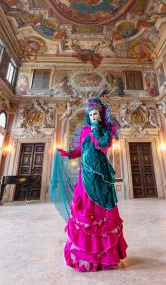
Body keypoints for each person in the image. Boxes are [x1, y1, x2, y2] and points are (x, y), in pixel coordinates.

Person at [52, 97, 127, 272]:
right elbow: (81, 149)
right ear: (88, 115)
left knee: (101, 212)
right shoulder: (85, 130)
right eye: (90, 114)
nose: (93, 116)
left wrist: (96, 130)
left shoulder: (105, 131)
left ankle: (105, 257)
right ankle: (85, 256)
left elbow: (103, 146)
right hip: (84, 174)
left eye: (95, 114)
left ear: (100, 116)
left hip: (100, 175)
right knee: (85, 209)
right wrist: (69, 154)